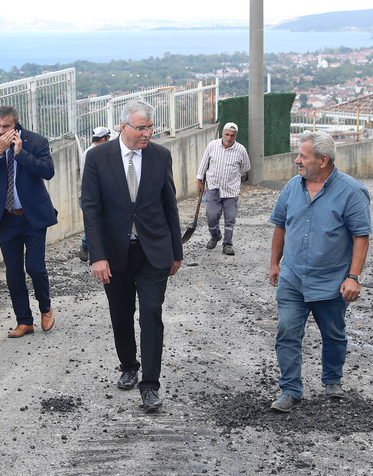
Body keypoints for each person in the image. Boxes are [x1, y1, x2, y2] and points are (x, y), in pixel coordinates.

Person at [81, 100, 183, 412]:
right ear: (123, 127)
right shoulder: (98, 157)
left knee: (151, 313)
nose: (148, 134)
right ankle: (129, 365)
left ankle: (150, 386)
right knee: (121, 314)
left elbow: (170, 205)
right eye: (141, 128)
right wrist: (97, 256)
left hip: (154, 252)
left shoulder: (160, 156)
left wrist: (176, 252)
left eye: (151, 127)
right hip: (114, 254)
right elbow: (91, 209)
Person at [267, 130, 371, 412]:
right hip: (292, 278)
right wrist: (275, 263)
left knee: (334, 333)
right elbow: (280, 225)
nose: (297, 160)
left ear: (323, 160)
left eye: (303, 156)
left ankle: (332, 380)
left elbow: (361, 237)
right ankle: (290, 390)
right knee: (287, 332)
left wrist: (353, 277)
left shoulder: (352, 192)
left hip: (332, 281)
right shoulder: (292, 187)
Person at [0, 105, 57, 338]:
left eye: (6, 127)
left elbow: (48, 171)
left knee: (35, 267)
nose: (1, 131)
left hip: (32, 218)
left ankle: (46, 308)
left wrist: (21, 154)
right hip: (8, 219)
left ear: (16, 125)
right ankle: (24, 321)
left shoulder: (36, 142)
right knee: (13, 273)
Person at [196, 122, 251, 256]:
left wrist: (233, 175)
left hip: (231, 190)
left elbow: (246, 167)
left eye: (232, 135)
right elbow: (204, 164)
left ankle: (227, 244)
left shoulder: (241, 149)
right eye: (227, 134)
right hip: (213, 187)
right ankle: (215, 235)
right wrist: (199, 180)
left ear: (235, 136)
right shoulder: (212, 145)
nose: (229, 138)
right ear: (222, 133)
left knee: (230, 218)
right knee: (211, 216)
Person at [78, 126, 111, 262]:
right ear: (104, 139)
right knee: (98, 224)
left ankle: (91, 248)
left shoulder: (93, 151)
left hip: (93, 195)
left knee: (99, 223)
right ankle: (89, 248)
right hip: (92, 196)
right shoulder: (93, 153)